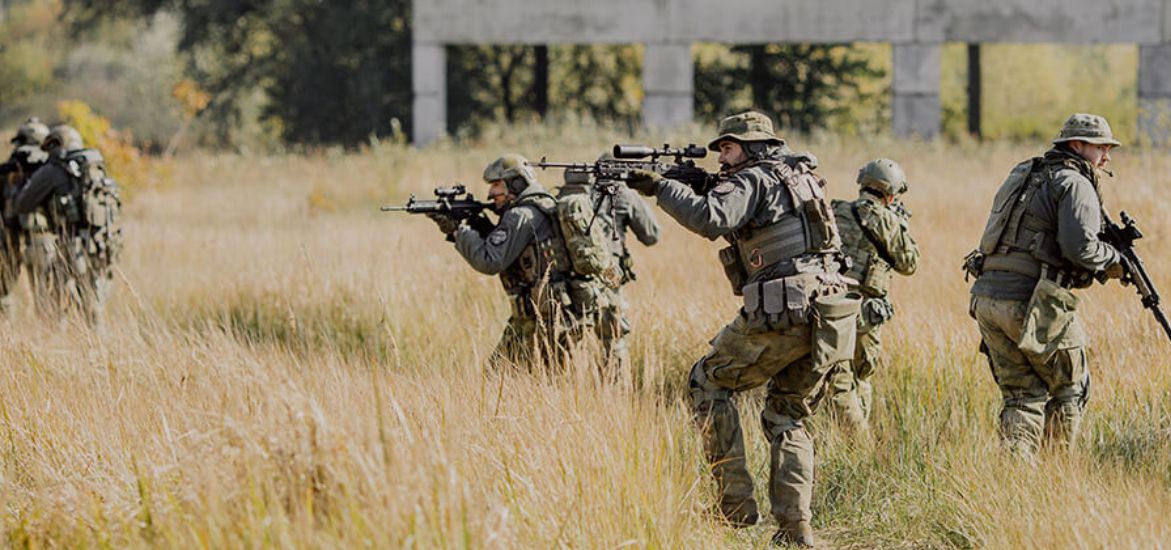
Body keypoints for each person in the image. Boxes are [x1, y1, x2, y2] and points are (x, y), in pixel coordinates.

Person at [626, 111, 860, 547]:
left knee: (706, 382)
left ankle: (733, 506)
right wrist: (697, 184)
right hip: (830, 313)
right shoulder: (800, 176)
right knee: (788, 415)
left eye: (728, 147)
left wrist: (661, 188)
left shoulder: (752, 178)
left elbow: (711, 218)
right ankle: (795, 529)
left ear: (753, 148)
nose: (720, 157)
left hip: (784, 309)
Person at [967, 113, 1124, 457]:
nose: (1106, 156)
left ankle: (1017, 474)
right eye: (1101, 147)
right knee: (1071, 388)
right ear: (1076, 145)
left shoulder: (1025, 173)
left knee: (1021, 395)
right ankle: (1055, 472)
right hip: (1030, 302)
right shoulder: (1075, 182)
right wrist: (1115, 258)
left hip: (986, 300)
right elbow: (1080, 249)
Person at [429, 153, 604, 370]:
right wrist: (478, 226)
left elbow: (489, 261)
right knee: (502, 376)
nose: (491, 193)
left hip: (546, 319)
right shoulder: (541, 205)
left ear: (516, 183)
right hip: (547, 315)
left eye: (496, 184)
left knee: (519, 380)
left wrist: (458, 231)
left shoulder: (521, 215)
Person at [826, 159, 919, 431]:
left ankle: (834, 436)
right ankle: (858, 441)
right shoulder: (887, 219)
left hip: (829, 304)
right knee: (859, 378)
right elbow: (909, 264)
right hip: (864, 312)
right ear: (890, 194)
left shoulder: (836, 210)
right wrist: (902, 227)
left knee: (835, 376)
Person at [558, 158, 659, 370]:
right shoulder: (622, 193)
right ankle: (615, 387)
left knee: (567, 340)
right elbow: (651, 235)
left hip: (573, 279)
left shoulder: (567, 194)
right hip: (609, 276)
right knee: (614, 340)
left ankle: (561, 384)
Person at [15, 125, 120, 325]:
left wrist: (24, 181)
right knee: (93, 306)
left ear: (55, 145)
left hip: (72, 245)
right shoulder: (95, 165)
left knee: (53, 304)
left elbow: (22, 204)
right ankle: (96, 343)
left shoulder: (53, 170)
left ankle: (56, 340)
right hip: (102, 243)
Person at [0, 117, 50, 314]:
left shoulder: (11, 166)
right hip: (41, 237)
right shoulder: (50, 167)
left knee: (4, 293)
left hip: (9, 238)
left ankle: (6, 328)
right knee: (44, 296)